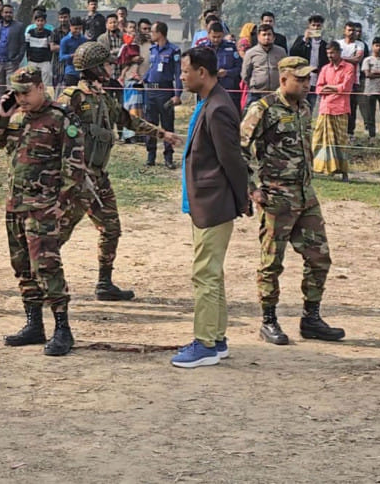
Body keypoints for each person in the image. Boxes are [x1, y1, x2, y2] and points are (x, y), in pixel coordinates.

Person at [57, 42, 181, 302]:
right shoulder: (72, 96)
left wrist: (162, 134)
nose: (111, 67)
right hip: (77, 180)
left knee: (111, 228)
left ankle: (104, 283)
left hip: (99, 178)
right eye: (106, 64)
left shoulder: (103, 96)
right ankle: (42, 278)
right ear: (93, 68)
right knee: (57, 234)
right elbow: (56, 133)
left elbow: (127, 120)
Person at [241, 56, 345, 346]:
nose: (306, 84)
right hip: (277, 198)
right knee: (272, 262)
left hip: (305, 195)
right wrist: (253, 189)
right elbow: (239, 149)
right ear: (283, 79)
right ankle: (268, 320)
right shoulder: (263, 110)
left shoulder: (305, 109)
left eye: (307, 79)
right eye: (299, 79)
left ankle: (311, 318)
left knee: (319, 257)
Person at [0, 66, 88, 357]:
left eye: (26, 93)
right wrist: (3, 115)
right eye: (17, 93)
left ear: (41, 87)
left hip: (44, 208)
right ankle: (34, 324)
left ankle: (62, 329)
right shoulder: (15, 115)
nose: (22, 98)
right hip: (15, 204)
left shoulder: (61, 118)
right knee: (23, 267)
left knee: (47, 267)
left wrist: (59, 205)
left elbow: (75, 168)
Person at [171, 47, 249, 368]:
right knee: (212, 274)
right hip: (205, 202)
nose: (181, 76)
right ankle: (216, 339)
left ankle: (203, 343)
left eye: (186, 70)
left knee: (204, 274)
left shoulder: (217, 109)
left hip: (214, 204)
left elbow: (233, 161)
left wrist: (240, 199)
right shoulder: (207, 102)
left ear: (202, 72)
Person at [313, 41, 356, 182]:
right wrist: (334, 88)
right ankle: (316, 168)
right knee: (319, 139)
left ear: (339, 52)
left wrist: (329, 87)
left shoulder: (349, 67)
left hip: (341, 109)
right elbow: (318, 89)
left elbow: (346, 88)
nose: (330, 56)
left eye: (332, 53)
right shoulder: (325, 69)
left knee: (340, 141)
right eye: (328, 53)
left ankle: (344, 172)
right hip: (325, 109)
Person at [143, 21, 182, 169]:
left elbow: (178, 73)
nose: (150, 34)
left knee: (167, 125)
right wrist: (143, 79)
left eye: (152, 32)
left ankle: (168, 157)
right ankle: (151, 156)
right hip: (151, 91)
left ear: (160, 33)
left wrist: (178, 94)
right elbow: (152, 69)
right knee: (150, 124)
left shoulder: (173, 50)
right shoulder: (152, 49)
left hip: (165, 92)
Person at [289, 14, 328, 110]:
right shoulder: (301, 40)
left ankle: (307, 123)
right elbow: (293, 52)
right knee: (297, 103)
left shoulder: (324, 45)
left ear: (322, 27)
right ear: (309, 26)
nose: (316, 28)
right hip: (302, 78)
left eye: (318, 25)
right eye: (313, 25)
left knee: (310, 105)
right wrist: (305, 40)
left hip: (315, 80)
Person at [242, 24, 286, 109]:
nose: (266, 37)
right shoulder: (251, 53)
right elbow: (245, 74)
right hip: (256, 93)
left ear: (273, 37)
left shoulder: (281, 52)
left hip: (276, 93)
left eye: (269, 34)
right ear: (258, 37)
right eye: (264, 35)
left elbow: (285, 71)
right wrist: (255, 84)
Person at [204, 22, 242, 112]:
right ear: (209, 35)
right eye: (214, 37)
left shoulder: (231, 48)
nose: (216, 39)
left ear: (223, 35)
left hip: (228, 90)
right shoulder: (202, 49)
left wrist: (227, 72)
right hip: (208, 89)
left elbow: (239, 68)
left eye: (219, 37)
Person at [0, 4, 25, 99]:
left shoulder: (19, 26)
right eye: (6, 12)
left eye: (10, 12)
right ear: (1, 13)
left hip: (12, 62)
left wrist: (18, 59)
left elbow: (22, 44)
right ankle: (0, 111)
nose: (8, 14)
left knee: (11, 88)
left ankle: (10, 110)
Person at [338, 22, 364, 143]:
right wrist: (349, 59)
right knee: (339, 106)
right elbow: (332, 58)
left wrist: (340, 58)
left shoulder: (359, 45)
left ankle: (350, 133)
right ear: (344, 31)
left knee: (351, 108)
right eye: (349, 30)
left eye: (353, 30)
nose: (351, 33)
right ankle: (339, 132)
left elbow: (357, 59)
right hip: (338, 80)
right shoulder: (338, 43)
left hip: (354, 81)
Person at [362, 37, 380, 141]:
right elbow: (367, 74)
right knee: (370, 114)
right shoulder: (367, 60)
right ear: (372, 46)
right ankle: (372, 136)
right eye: (377, 46)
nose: (378, 48)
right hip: (370, 90)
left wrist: (375, 72)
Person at [25, 12, 54, 87]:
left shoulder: (49, 33)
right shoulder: (30, 32)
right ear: (35, 22)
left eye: (42, 21)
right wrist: (29, 59)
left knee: (46, 84)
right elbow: (27, 46)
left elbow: (50, 48)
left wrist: (48, 59)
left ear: (45, 22)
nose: (40, 23)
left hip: (45, 62)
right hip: (32, 61)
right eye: (38, 21)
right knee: (31, 83)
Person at [59, 17, 86, 87]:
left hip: (83, 72)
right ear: (70, 27)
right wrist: (72, 56)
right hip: (71, 71)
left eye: (80, 29)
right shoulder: (65, 40)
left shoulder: (84, 39)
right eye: (75, 29)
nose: (78, 31)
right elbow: (61, 57)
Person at [237, 22, 257, 112]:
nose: (254, 35)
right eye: (253, 33)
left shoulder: (252, 42)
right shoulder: (244, 42)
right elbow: (243, 55)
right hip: (246, 69)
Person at [97, 14, 124, 81]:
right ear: (106, 25)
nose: (113, 25)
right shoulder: (102, 38)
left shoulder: (123, 37)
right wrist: (117, 58)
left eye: (115, 22)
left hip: (121, 72)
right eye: (110, 23)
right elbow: (103, 55)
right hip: (108, 71)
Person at [50, 8, 71, 90]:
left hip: (71, 66)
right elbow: (52, 48)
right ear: (58, 18)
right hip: (58, 66)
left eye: (65, 17)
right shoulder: (55, 32)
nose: (63, 20)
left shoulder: (73, 31)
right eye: (61, 17)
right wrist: (68, 47)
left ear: (69, 17)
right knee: (57, 91)